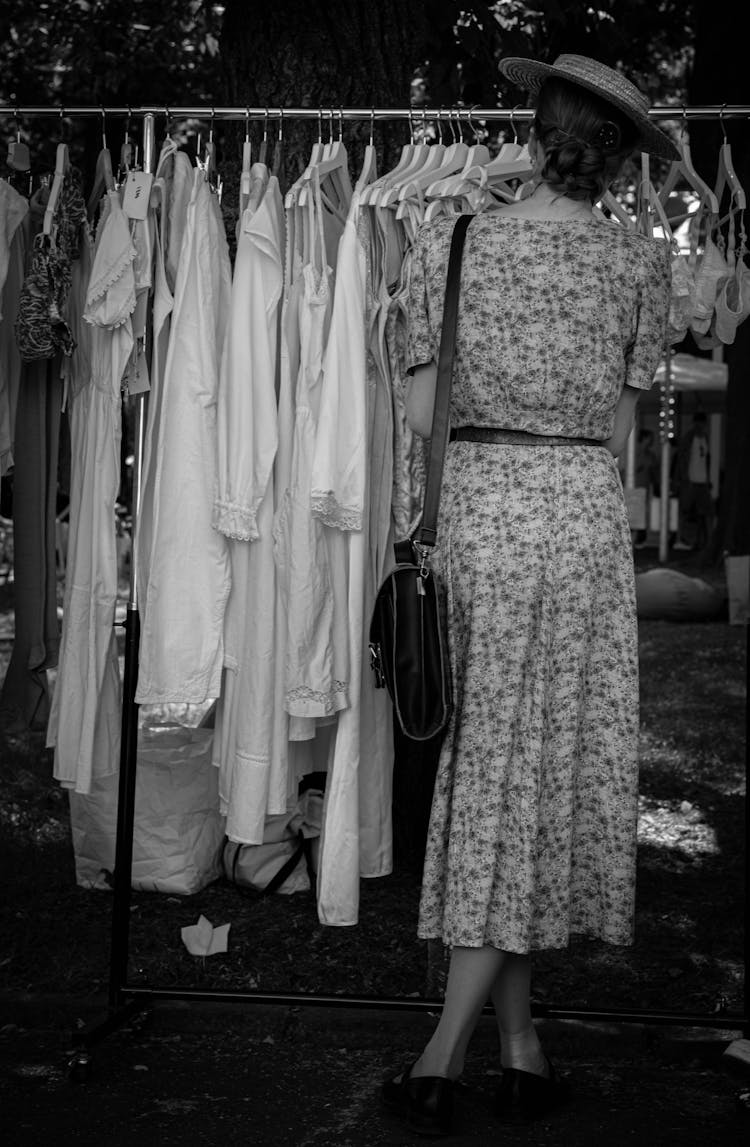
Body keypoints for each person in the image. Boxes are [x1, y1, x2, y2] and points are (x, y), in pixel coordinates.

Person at [382, 54, 674, 1136]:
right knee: (533, 774)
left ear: (534, 132)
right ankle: (476, 1048)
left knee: (492, 775)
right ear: (617, 162)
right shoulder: (638, 267)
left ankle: (490, 1047)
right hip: (580, 522)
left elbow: (420, 417)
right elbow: (624, 434)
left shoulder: (450, 243)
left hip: (481, 515)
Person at [673, 411, 713, 551]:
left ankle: (706, 541)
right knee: (685, 511)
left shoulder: (705, 438)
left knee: (706, 513)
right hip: (690, 481)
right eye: (699, 423)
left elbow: (706, 459)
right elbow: (682, 459)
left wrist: (708, 479)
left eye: (702, 424)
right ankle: (680, 539)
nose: (701, 426)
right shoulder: (689, 438)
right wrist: (683, 478)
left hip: (702, 481)